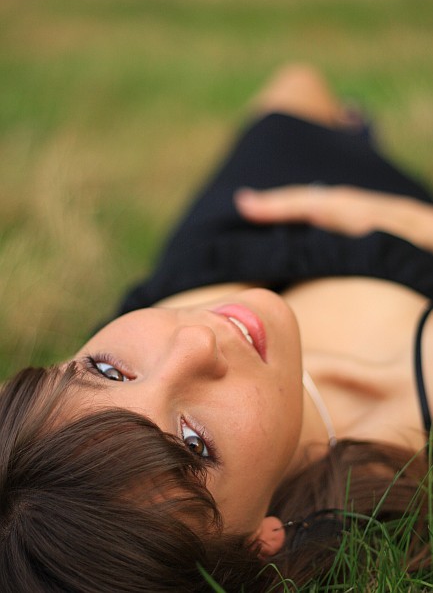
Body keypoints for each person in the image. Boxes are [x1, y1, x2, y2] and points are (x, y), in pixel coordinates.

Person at [1, 65, 433, 592]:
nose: (195, 340)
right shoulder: (408, 408)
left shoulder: (53, 458)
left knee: (297, 86)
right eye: (194, 444)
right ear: (259, 541)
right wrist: (412, 223)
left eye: (108, 371)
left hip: (223, 247)